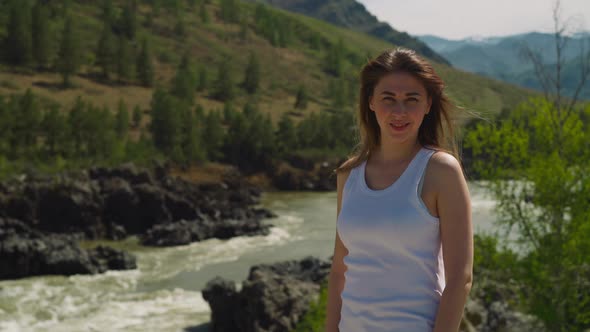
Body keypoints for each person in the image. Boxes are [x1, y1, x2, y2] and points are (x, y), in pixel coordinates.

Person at [325, 48, 473, 332]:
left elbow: (460, 280)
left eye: (411, 100)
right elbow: (339, 271)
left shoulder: (440, 171)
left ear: (428, 104)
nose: (399, 112)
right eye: (388, 99)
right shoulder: (349, 174)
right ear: (370, 102)